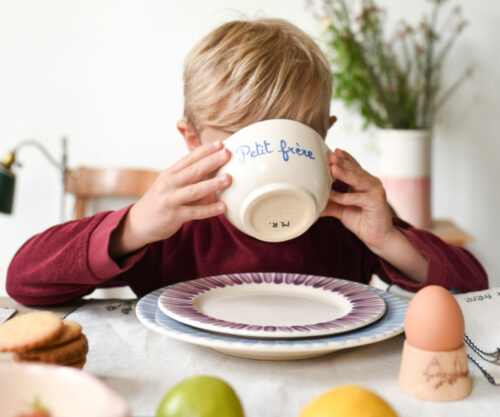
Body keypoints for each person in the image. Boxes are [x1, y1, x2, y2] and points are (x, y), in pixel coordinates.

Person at [6, 18, 487, 306]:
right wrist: (133, 226)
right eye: (246, 139)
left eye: (293, 138)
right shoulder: (173, 224)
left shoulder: (344, 215)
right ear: (191, 140)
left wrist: (391, 240)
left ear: (322, 136)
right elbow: (23, 280)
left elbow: (475, 289)